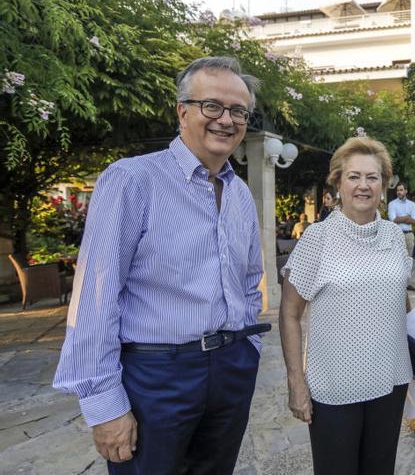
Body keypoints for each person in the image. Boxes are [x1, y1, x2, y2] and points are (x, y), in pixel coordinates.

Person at [53, 56, 269, 474]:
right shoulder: (132, 180)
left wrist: (247, 349)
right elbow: (95, 298)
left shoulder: (240, 193)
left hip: (230, 372)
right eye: (213, 106)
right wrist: (104, 406)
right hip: (157, 376)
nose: (226, 120)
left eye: (238, 111)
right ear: (182, 110)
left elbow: (248, 281)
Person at [278, 137, 412, 475]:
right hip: (335, 386)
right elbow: (290, 313)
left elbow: (400, 298)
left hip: (391, 381)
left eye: (373, 177)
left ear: (384, 183)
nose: (363, 186)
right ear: (337, 182)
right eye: (354, 177)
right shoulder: (317, 238)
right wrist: (297, 382)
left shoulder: (395, 236)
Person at [387, 183, 415, 291]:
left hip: (408, 234)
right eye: (398, 190)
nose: (399, 192)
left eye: (401, 190)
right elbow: (393, 219)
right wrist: (407, 217)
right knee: (396, 259)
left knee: (409, 259)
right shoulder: (392, 204)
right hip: (396, 234)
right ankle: (397, 284)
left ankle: (407, 284)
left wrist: (401, 218)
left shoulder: (412, 204)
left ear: (406, 191)